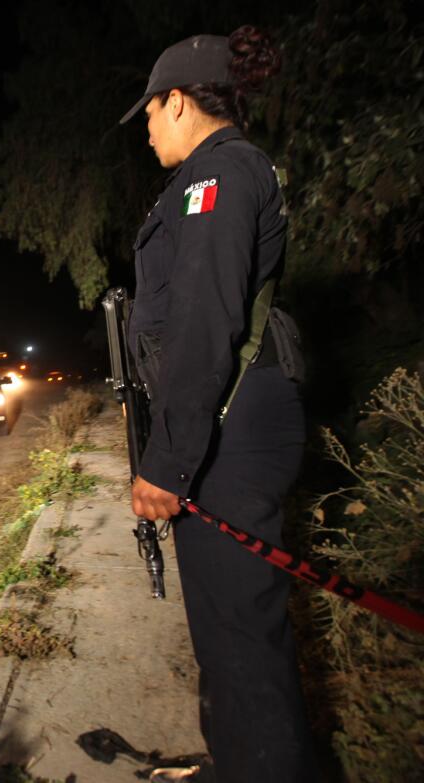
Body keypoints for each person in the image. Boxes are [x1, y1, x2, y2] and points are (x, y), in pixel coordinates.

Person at [119, 27, 317, 782]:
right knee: (224, 628)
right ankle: (237, 762)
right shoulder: (211, 178)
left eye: (150, 108)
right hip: (225, 422)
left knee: (241, 634)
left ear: (179, 101)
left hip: (232, 423)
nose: (144, 123)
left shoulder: (222, 176)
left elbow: (205, 324)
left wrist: (166, 462)